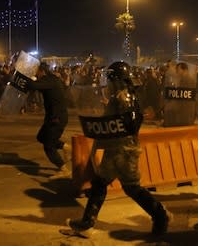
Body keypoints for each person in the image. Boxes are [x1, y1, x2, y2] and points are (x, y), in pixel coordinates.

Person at [64, 61, 172, 237]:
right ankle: (87, 223)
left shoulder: (123, 97)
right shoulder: (127, 95)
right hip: (122, 148)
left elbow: (129, 123)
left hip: (121, 150)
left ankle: (160, 216)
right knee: (106, 184)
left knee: (126, 187)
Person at [27, 62, 71, 179]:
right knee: (41, 137)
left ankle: (64, 169)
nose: (34, 74)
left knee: (48, 146)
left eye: (35, 71)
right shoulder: (52, 79)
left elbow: (33, 86)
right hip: (54, 116)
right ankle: (66, 147)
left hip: (56, 118)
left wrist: (21, 76)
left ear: (42, 71)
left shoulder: (48, 80)